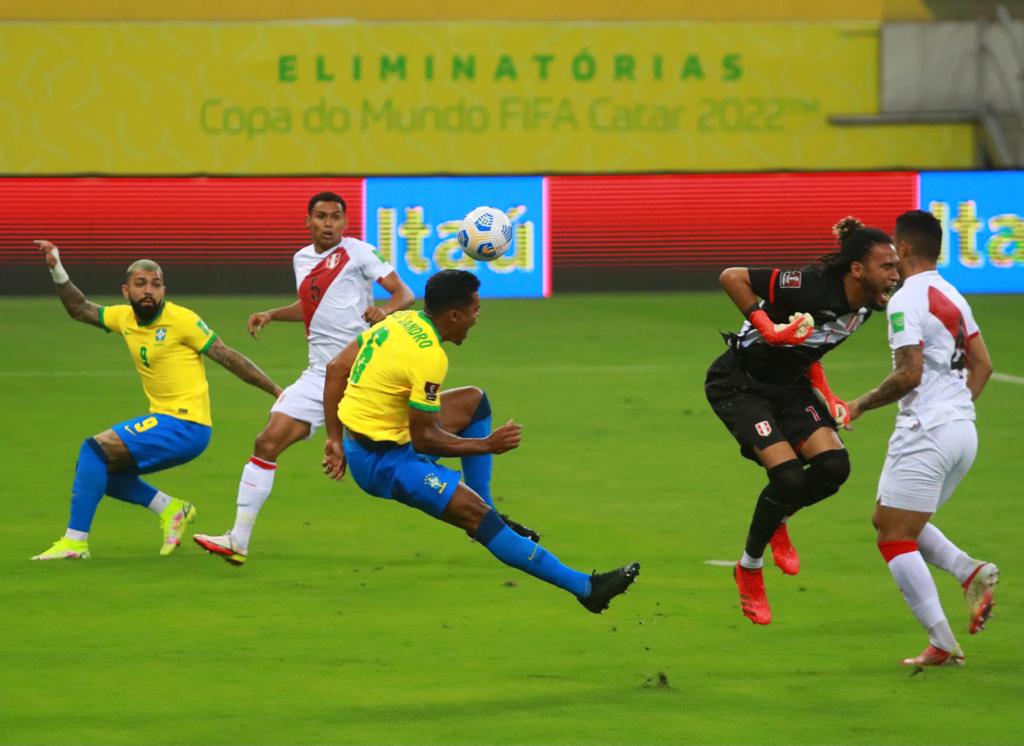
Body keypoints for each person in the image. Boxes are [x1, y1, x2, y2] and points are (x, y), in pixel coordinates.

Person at [321, 269, 639, 613]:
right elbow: (425, 439)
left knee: (474, 402)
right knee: (478, 517)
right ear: (454, 315)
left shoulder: (401, 320)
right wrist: (487, 444)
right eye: (475, 310)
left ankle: (487, 507)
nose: (477, 316)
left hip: (365, 440)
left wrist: (334, 439)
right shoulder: (429, 357)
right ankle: (586, 588)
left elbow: (337, 368)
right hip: (383, 463)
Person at [192, 191, 416, 565]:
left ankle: (467, 497)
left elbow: (404, 293)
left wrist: (385, 310)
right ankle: (238, 540)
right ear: (308, 221)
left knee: (404, 445)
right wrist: (273, 314)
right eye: (321, 216)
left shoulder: (358, 252)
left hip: (363, 370)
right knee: (266, 441)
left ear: (345, 223)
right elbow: (313, 305)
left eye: (335, 217)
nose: (328, 223)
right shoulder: (301, 259)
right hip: (319, 374)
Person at [31, 240, 282, 560]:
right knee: (94, 468)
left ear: (164, 290)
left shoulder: (182, 320)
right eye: (141, 284)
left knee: (93, 449)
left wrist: (276, 391)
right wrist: (56, 267)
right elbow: (79, 308)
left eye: (156, 284)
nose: (149, 290)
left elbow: (227, 356)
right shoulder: (125, 319)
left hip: (185, 424)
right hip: (167, 420)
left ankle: (75, 543)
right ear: (126, 291)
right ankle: (171, 509)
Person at [705, 217, 900, 625]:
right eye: (887, 268)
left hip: (789, 386)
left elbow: (812, 351)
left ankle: (780, 518)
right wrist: (767, 328)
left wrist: (828, 397)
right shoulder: (807, 284)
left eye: (895, 267)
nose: (895, 276)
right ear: (857, 270)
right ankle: (750, 568)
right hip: (740, 384)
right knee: (789, 478)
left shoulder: (866, 307)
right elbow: (732, 277)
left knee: (834, 468)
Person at [847, 210, 997, 667]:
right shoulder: (952, 293)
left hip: (927, 431)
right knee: (889, 518)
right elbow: (982, 365)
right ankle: (968, 569)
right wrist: (956, 410)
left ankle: (942, 644)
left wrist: (858, 404)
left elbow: (908, 374)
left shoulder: (905, 298)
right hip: (961, 431)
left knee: (894, 536)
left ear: (904, 249)